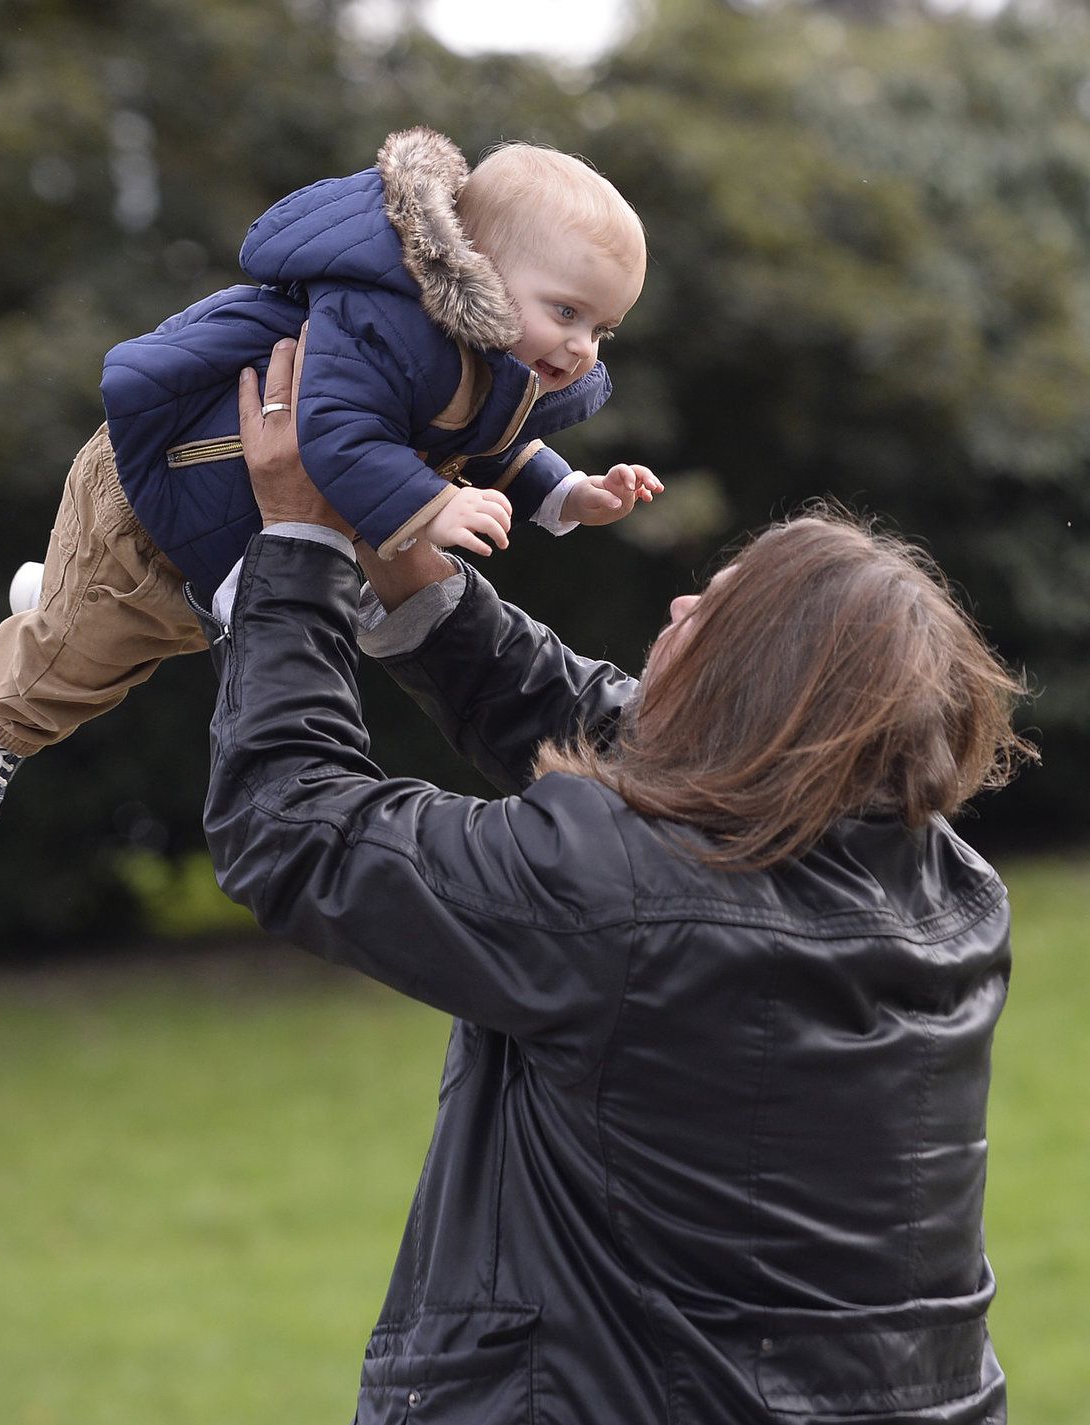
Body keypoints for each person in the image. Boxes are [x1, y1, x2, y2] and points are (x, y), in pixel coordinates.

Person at [199, 338, 1034, 1424]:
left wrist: (304, 539)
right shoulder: (950, 893)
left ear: (761, 689)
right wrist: (408, 563)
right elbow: (625, 734)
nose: (680, 612)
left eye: (716, 613)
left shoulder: (622, 894)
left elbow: (293, 826)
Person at [0, 126, 657, 844]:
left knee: (182, 622)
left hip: (235, 532)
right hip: (161, 495)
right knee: (88, 655)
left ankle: (66, 589)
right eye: (566, 311)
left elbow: (492, 442)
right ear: (480, 264)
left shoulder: (488, 356)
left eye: (602, 329)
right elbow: (331, 430)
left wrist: (567, 494)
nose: (581, 347)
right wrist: (435, 503)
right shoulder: (384, 322)